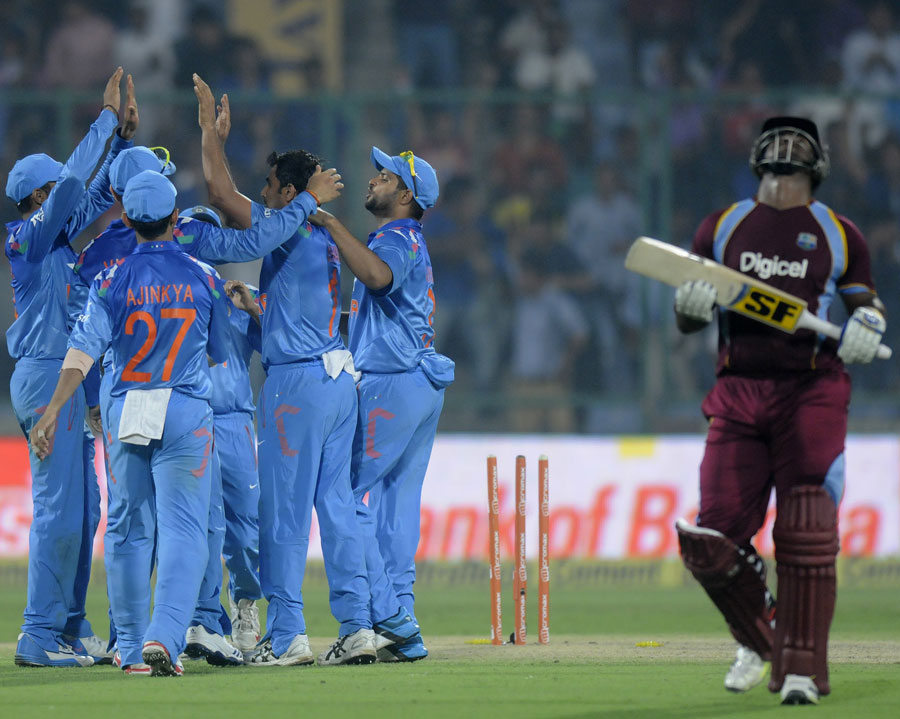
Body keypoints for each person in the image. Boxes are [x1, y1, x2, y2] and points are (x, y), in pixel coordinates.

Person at [672, 116, 886, 706]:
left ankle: (802, 670)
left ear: (819, 161)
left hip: (810, 387)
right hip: (739, 387)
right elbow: (689, 314)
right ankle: (758, 633)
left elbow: (865, 303)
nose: (787, 143)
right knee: (712, 538)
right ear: (756, 156)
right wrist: (689, 307)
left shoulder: (839, 233)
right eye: (777, 135)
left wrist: (868, 324)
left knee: (805, 529)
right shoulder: (723, 225)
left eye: (801, 138)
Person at [194, 73, 382, 667]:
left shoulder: (292, 225)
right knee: (340, 509)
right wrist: (265, 311)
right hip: (337, 382)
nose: (264, 194)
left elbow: (223, 198)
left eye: (270, 187)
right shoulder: (322, 237)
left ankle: (288, 633)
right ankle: (357, 628)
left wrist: (210, 138)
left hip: (297, 385)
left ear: (289, 191)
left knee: (281, 512)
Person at [6, 67, 136, 667]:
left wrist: (125, 140)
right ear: (38, 196)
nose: (66, 192)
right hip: (43, 376)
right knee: (61, 509)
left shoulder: (55, 238)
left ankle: (66, 629)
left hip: (68, 377)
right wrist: (103, 121)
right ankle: (36, 636)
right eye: (56, 187)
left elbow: (104, 189)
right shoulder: (29, 238)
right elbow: (72, 194)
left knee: (85, 509)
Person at [310, 147, 455, 662]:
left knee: (342, 492)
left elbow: (377, 277)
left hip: (391, 382)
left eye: (386, 175)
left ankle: (389, 616)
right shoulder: (409, 238)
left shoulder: (394, 236)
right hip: (420, 382)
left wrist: (328, 222)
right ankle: (404, 620)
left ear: (406, 195)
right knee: (396, 507)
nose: (373, 178)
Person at [181, 205, 264, 655]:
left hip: (232, 422)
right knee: (198, 526)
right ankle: (200, 616)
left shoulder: (240, 293)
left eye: (212, 235)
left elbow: (278, 346)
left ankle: (245, 605)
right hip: (190, 419)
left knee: (245, 526)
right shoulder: (174, 291)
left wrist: (252, 310)